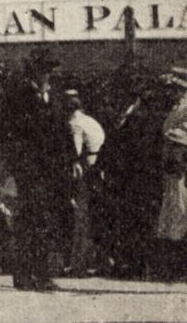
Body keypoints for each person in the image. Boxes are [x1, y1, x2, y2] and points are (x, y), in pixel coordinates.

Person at [0, 48, 76, 292]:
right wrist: (15, 165)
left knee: (43, 221)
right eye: (45, 71)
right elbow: (6, 134)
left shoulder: (52, 98)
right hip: (29, 169)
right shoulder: (19, 96)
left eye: (50, 72)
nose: (48, 76)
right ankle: (24, 274)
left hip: (51, 170)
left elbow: (64, 131)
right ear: (35, 71)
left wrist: (71, 160)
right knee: (29, 221)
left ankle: (40, 273)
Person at [100, 75, 181, 278]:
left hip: (140, 175)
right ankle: (138, 265)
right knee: (140, 221)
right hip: (137, 176)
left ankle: (138, 265)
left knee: (142, 221)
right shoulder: (145, 116)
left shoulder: (143, 117)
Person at [66, 89, 106, 276]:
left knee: (82, 217)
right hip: (99, 169)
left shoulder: (75, 124)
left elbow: (75, 150)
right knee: (94, 216)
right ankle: (96, 261)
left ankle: (79, 264)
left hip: (86, 170)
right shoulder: (92, 121)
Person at [155, 67, 187, 278]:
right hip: (173, 167)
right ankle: (174, 265)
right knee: (174, 212)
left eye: (175, 88)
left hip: (182, 166)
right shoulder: (177, 107)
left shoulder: (185, 108)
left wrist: (171, 138)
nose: (171, 93)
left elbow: (181, 133)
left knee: (181, 211)